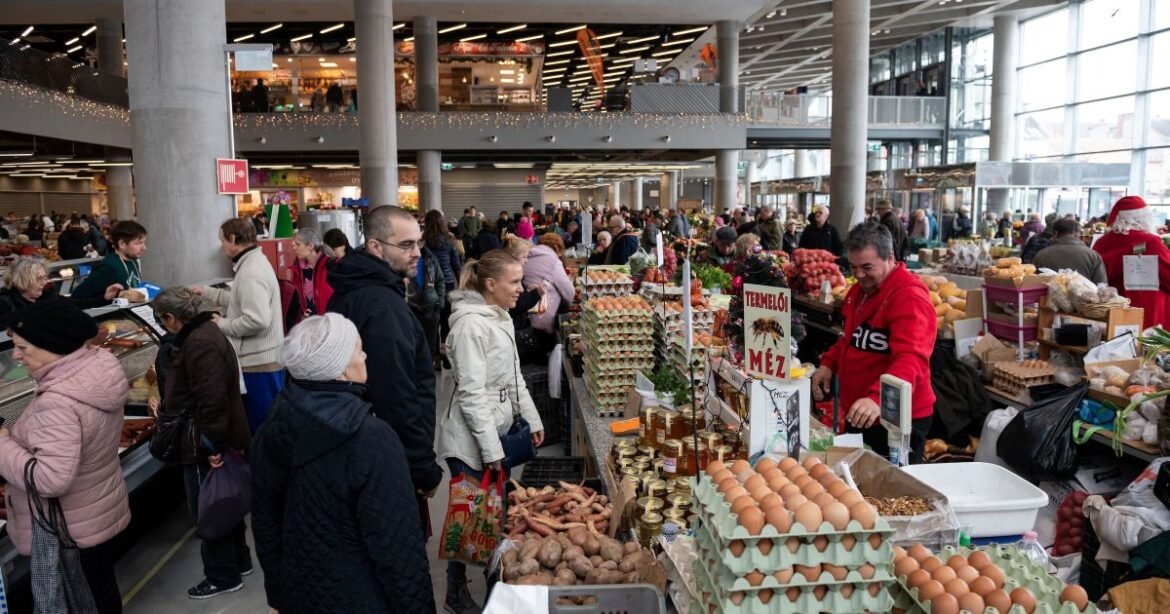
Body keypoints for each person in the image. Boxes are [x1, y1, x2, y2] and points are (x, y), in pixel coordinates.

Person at [252, 314, 434, 613]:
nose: (365, 356)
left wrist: (278, 597)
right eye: (358, 350)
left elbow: (266, 528)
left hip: (300, 596)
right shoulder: (371, 440)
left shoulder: (270, 431)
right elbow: (398, 550)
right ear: (339, 372)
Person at [0, 300, 131, 613]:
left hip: (70, 529)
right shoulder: (95, 367)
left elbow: (50, 479)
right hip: (93, 513)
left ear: (51, 346)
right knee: (100, 593)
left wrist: (3, 441)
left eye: (22, 347)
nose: (16, 355)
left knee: (82, 601)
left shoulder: (58, 402)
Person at [438, 250, 545, 613]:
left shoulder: (499, 316)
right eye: (514, 282)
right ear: (490, 284)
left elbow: (513, 378)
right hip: (469, 441)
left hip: (494, 431)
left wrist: (533, 419)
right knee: (469, 519)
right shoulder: (470, 326)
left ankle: (492, 583)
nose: (521, 288)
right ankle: (456, 592)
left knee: (490, 515)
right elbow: (471, 394)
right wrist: (491, 450)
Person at [326, 205, 442, 535]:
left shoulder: (356, 287)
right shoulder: (382, 308)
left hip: (360, 449)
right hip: (387, 459)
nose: (417, 253)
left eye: (418, 243)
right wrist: (422, 467)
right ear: (375, 246)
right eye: (406, 245)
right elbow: (396, 394)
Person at [150, 287, 253, 599]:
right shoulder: (206, 332)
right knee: (226, 502)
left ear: (171, 317)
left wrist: (211, 446)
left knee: (209, 511)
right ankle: (239, 561)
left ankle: (223, 576)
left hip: (201, 442)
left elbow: (212, 399)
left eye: (162, 321)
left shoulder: (199, 344)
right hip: (215, 436)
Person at [812, 222, 936, 462]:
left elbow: (911, 359)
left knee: (890, 492)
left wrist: (878, 398)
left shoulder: (909, 297)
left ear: (890, 258)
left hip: (895, 417)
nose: (858, 275)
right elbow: (848, 339)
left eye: (867, 267)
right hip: (862, 411)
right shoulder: (859, 291)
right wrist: (828, 364)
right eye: (853, 267)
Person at [196, 218, 284, 433]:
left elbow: (257, 320)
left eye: (222, 240)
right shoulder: (252, 263)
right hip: (265, 360)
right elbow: (240, 301)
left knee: (263, 429)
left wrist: (221, 324)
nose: (221, 245)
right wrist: (206, 292)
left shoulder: (251, 272)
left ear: (233, 239)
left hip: (259, 363)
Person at [1093, 195, 1170, 329]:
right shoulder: (1151, 242)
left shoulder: (1101, 243)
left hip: (1111, 311)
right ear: (1144, 218)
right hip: (1148, 312)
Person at [0, 258, 122, 327]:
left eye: (44, 277)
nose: (44, 282)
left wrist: (104, 298)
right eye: (39, 279)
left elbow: (76, 304)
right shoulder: (4, 303)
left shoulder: (46, 297)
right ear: (22, 280)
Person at [70, 220, 147, 300]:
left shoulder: (133, 260)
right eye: (138, 243)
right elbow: (77, 298)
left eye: (144, 243)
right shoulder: (108, 266)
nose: (144, 248)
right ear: (122, 244)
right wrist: (104, 298)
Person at [524, 233, 574, 339]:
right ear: (557, 248)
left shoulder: (528, 255)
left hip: (524, 316)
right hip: (542, 319)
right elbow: (569, 293)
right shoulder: (553, 260)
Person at [407, 242, 446, 368]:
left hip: (430, 308)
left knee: (429, 344)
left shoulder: (430, 258)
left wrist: (440, 301)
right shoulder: (403, 260)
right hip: (411, 308)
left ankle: (428, 369)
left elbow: (440, 279)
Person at [1033, 218, 1106, 284]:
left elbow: (1032, 283)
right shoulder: (1093, 256)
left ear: (1056, 233)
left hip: (1048, 298)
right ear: (1077, 234)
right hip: (1085, 298)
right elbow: (1102, 286)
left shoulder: (1042, 255)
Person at [290, 228, 333, 317]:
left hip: (329, 320)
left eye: (298, 244)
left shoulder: (330, 265)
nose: (294, 248)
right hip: (308, 321)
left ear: (310, 246)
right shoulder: (297, 269)